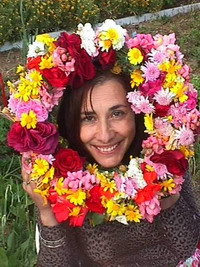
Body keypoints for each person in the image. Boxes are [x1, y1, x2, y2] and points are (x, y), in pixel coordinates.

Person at [6, 20, 200, 266]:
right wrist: (47, 213)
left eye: (117, 113)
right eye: (88, 118)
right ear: (71, 124)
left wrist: (166, 193)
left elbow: (187, 245)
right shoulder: (64, 179)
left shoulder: (162, 157)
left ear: (136, 113)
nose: (105, 134)